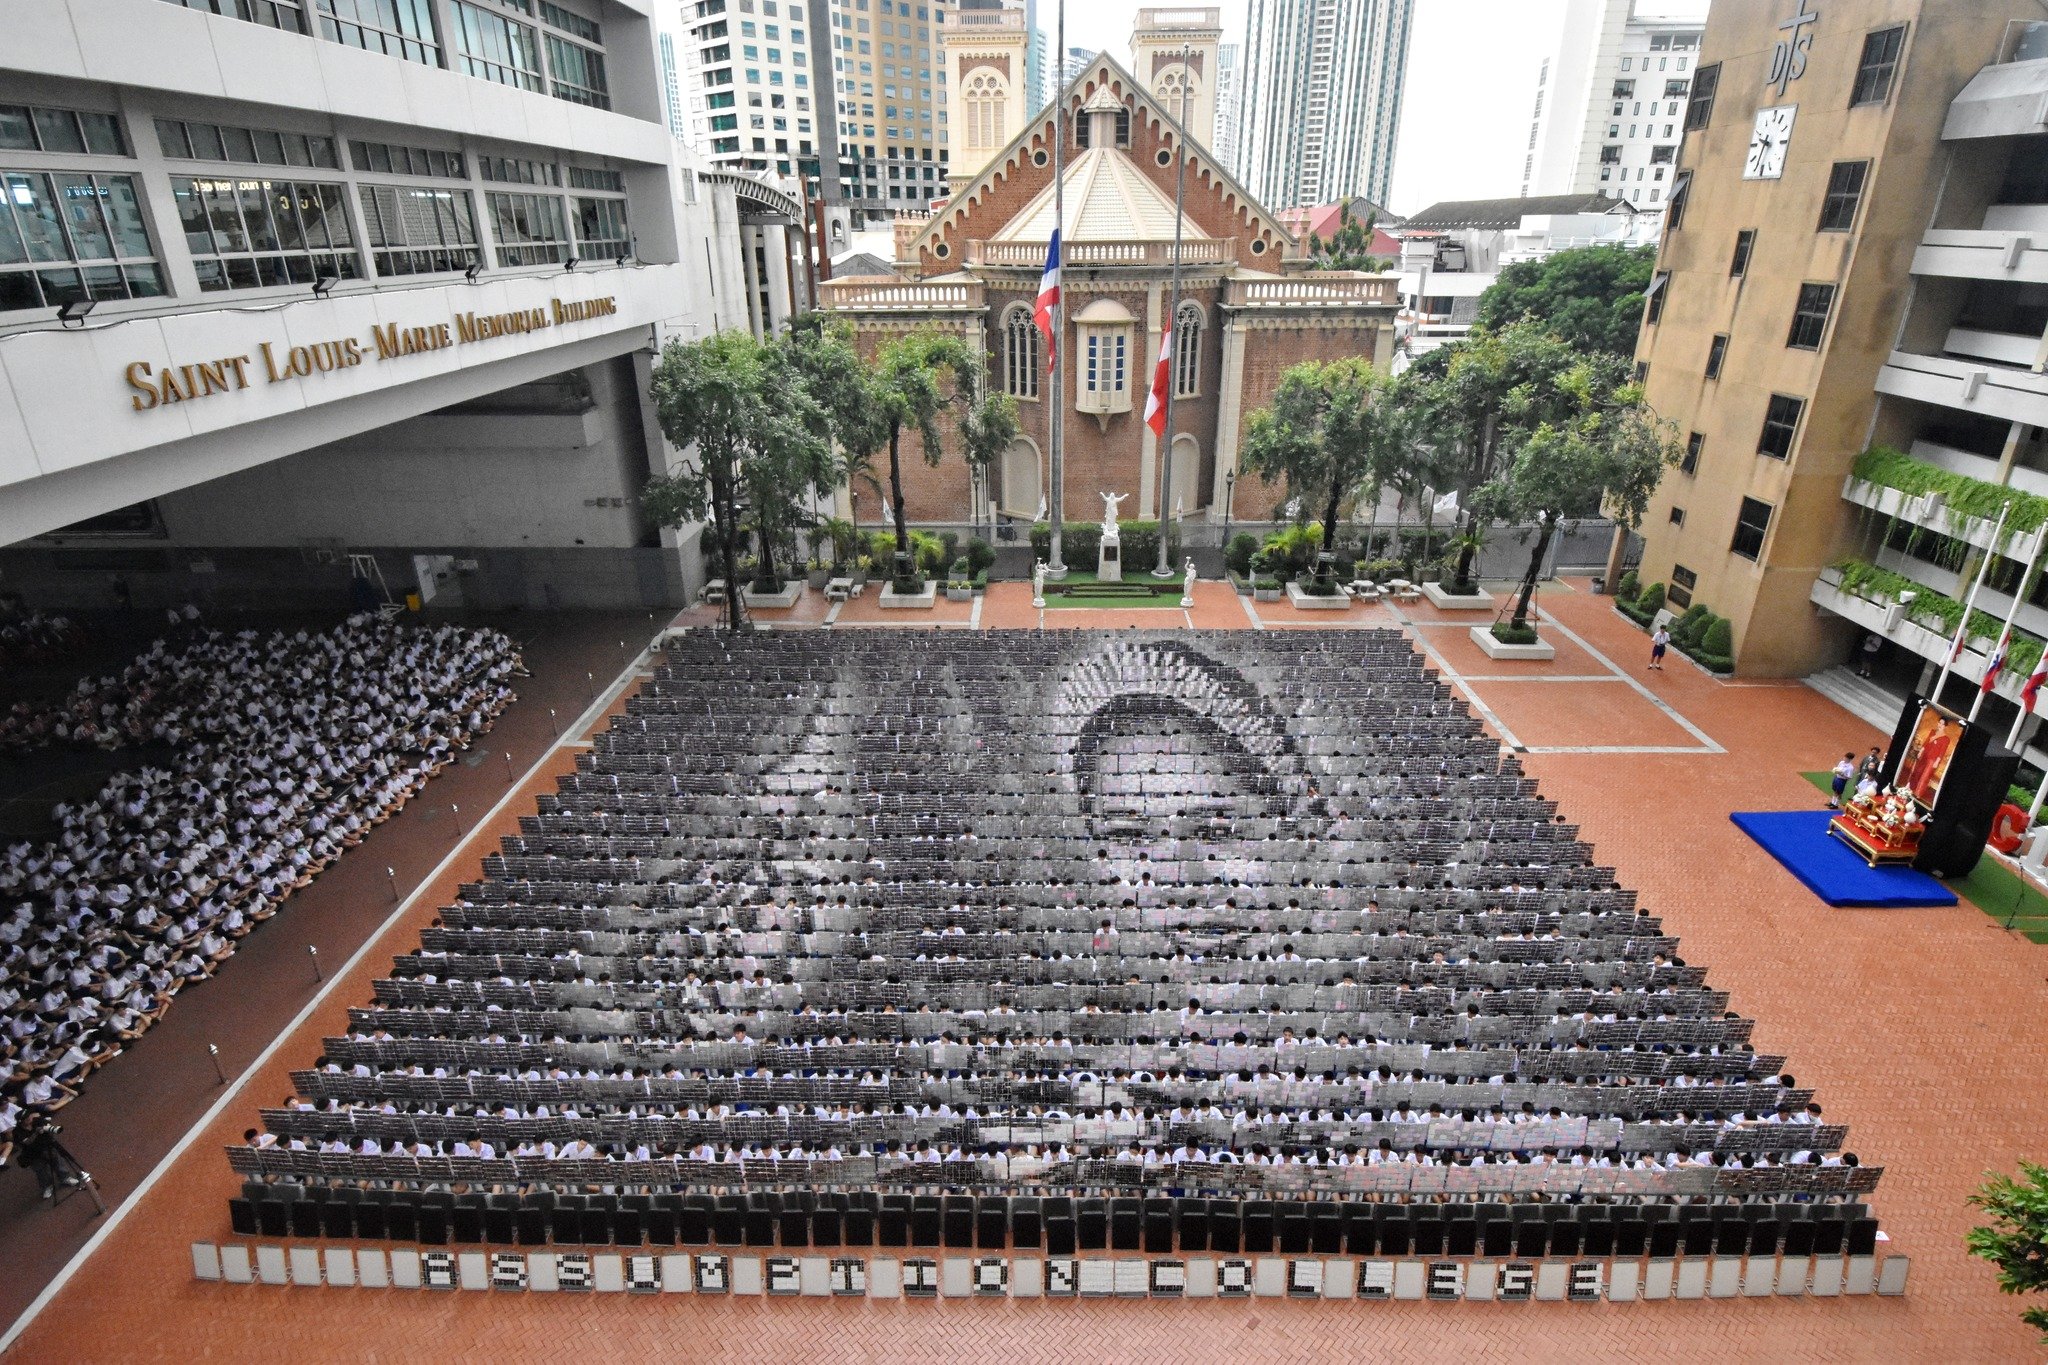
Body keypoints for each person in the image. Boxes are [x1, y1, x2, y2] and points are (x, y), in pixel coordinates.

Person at [16, 1113, 86, 1199]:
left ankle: (65, 1177)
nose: (29, 1118)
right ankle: (47, 1186)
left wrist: (49, 1129)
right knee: (40, 1170)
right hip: (33, 1153)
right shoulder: (17, 1131)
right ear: (21, 1121)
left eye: (28, 1116)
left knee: (57, 1161)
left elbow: (51, 1128)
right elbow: (27, 1142)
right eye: (26, 1118)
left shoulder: (38, 1120)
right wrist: (36, 1133)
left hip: (46, 1146)